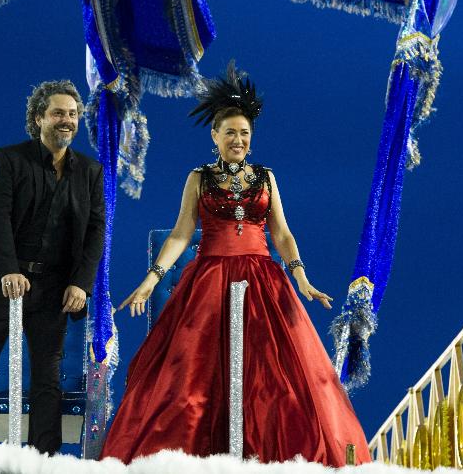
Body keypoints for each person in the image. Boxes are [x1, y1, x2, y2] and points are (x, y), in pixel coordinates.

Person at [99, 64, 371, 466]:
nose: (238, 139)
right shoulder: (199, 177)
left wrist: (302, 278)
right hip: (210, 281)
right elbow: (180, 234)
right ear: (215, 136)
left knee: (278, 379)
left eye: (244, 133)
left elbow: (282, 234)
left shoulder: (266, 177)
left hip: (263, 281)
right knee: (190, 379)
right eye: (230, 132)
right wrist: (150, 281)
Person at [0, 80, 105, 457]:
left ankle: (42, 461)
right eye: (58, 113)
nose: (67, 120)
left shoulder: (90, 171)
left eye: (73, 114)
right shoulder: (8, 160)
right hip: (1, 283)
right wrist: (9, 270)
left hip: (55, 289)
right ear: (39, 117)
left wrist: (81, 283)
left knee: (47, 378)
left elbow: (96, 231)